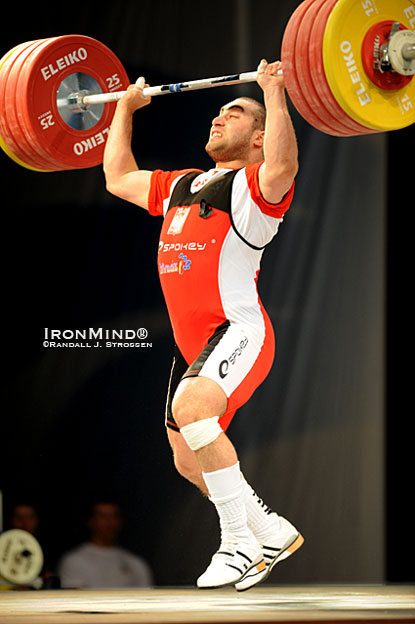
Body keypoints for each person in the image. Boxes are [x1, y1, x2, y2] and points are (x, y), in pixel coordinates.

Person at [103, 59, 303, 591]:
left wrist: (273, 92)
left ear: (259, 138)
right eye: (218, 110)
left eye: (233, 112)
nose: (219, 118)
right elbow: (118, 177)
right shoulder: (181, 186)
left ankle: (239, 543)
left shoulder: (255, 190)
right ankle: (270, 530)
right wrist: (123, 109)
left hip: (239, 332)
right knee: (188, 460)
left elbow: (284, 164)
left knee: (191, 410)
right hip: (192, 347)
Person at [58, 499, 153, 588]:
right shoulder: (74, 561)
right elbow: (74, 601)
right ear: (90, 521)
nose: (109, 522)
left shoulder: (135, 563)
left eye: (114, 516)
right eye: (102, 516)